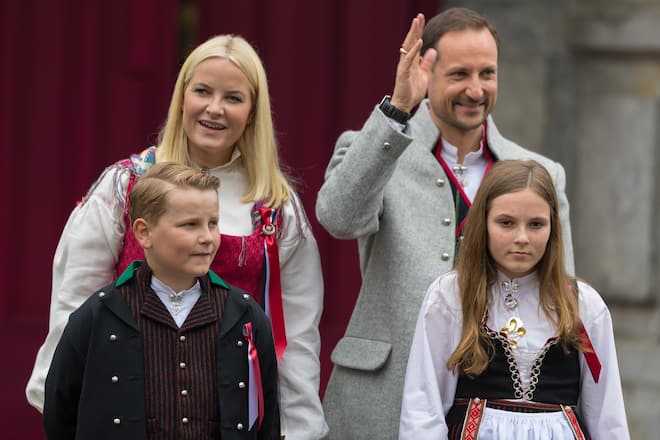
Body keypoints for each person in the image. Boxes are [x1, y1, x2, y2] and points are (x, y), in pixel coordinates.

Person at [28, 35, 327, 440]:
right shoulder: (126, 185)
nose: (214, 108)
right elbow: (75, 302)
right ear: (182, 97)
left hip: (227, 411)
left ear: (254, 111)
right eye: (202, 91)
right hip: (130, 406)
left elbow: (296, 335)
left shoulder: (275, 205)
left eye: (233, 97)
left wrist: (300, 428)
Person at [316, 8, 574, 439]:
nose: (475, 89)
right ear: (425, 71)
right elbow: (338, 218)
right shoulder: (377, 148)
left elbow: (560, 298)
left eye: (487, 73)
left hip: (495, 407)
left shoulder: (540, 172)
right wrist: (398, 109)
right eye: (459, 74)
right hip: (383, 397)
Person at [43, 162, 280, 439]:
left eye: (213, 223)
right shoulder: (98, 315)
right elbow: (60, 415)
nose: (207, 237)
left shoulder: (244, 315)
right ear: (144, 232)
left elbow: (267, 421)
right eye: (190, 225)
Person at [399, 160, 629, 439]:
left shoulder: (582, 304)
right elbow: (423, 407)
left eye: (536, 224)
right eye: (506, 223)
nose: (521, 237)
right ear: (483, 223)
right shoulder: (451, 294)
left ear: (553, 228)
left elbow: (608, 414)